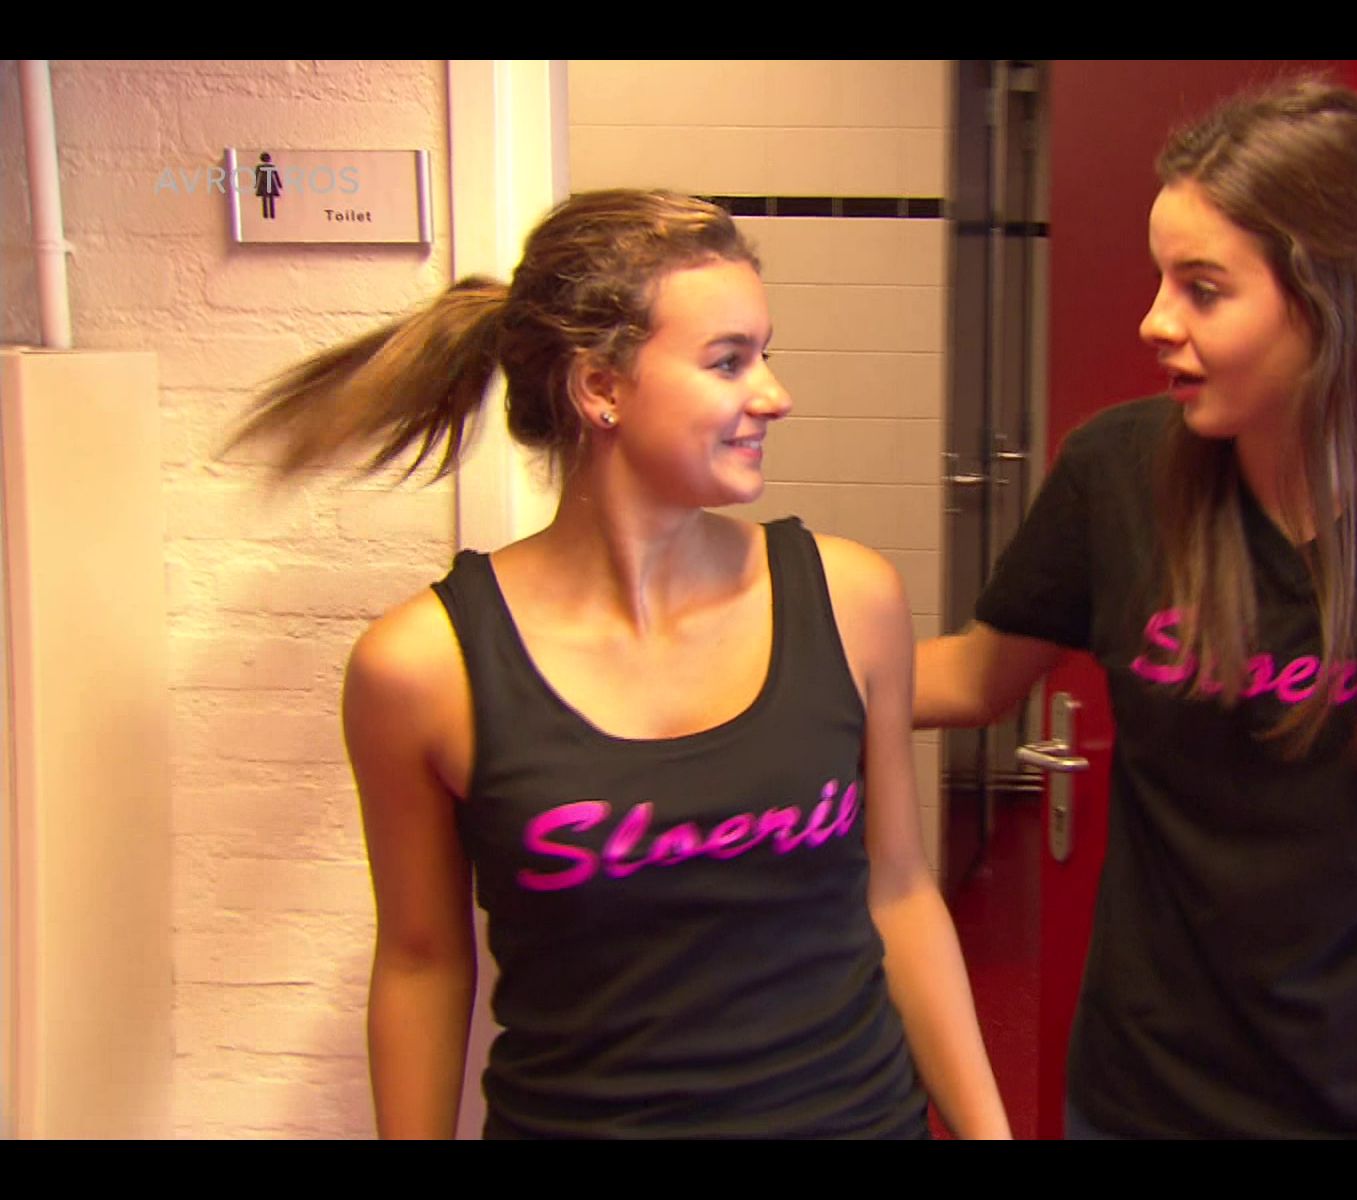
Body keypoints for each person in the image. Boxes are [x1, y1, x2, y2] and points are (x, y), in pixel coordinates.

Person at [914, 81, 1357, 1139]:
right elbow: (974, 679)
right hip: (1149, 1098)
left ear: (1337, 302)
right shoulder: (1118, 471)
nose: (1155, 321)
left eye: (1203, 290)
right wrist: (754, 658)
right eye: (1163, 280)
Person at [230, 188, 1008, 1140]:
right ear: (600, 388)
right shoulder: (423, 669)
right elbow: (423, 962)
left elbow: (899, 889)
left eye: (765, 355)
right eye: (729, 361)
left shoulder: (851, 601)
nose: (774, 395)